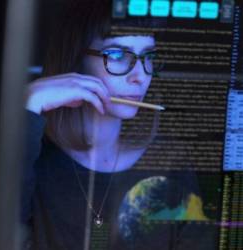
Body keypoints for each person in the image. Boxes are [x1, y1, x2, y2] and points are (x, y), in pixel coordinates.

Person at [21, 0, 218, 249]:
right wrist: (29, 104)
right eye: (116, 55)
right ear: (74, 59)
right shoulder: (34, 155)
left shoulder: (170, 158)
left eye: (148, 57)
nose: (140, 76)